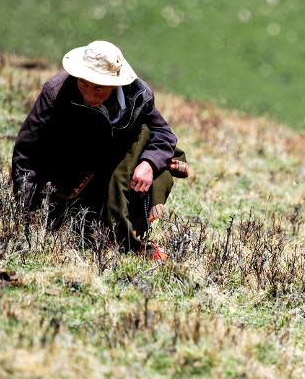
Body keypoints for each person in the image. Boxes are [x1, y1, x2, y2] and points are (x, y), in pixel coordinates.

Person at [11, 40, 188, 260]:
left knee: (146, 136)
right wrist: (28, 209)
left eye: (98, 88)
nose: (90, 94)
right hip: (68, 173)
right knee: (78, 227)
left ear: (115, 84)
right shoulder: (56, 92)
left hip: (112, 167)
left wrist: (149, 164)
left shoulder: (138, 96)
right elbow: (27, 151)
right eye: (84, 84)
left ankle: (127, 222)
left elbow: (164, 134)